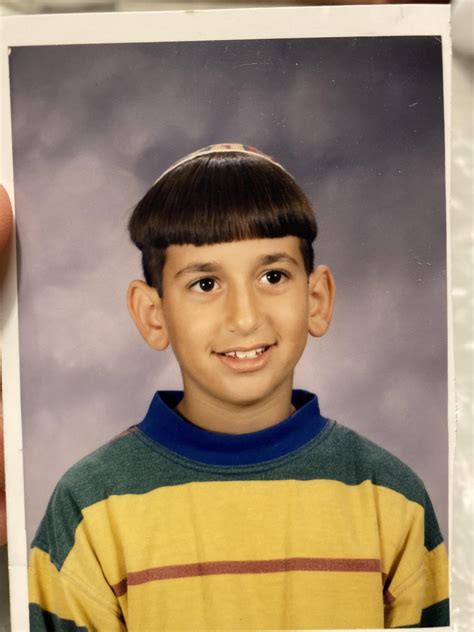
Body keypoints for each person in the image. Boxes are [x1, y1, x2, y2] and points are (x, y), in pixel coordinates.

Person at [27, 144, 449, 630]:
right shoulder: (91, 507)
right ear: (153, 313)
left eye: (273, 275)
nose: (245, 317)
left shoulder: (390, 499)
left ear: (317, 299)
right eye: (206, 284)